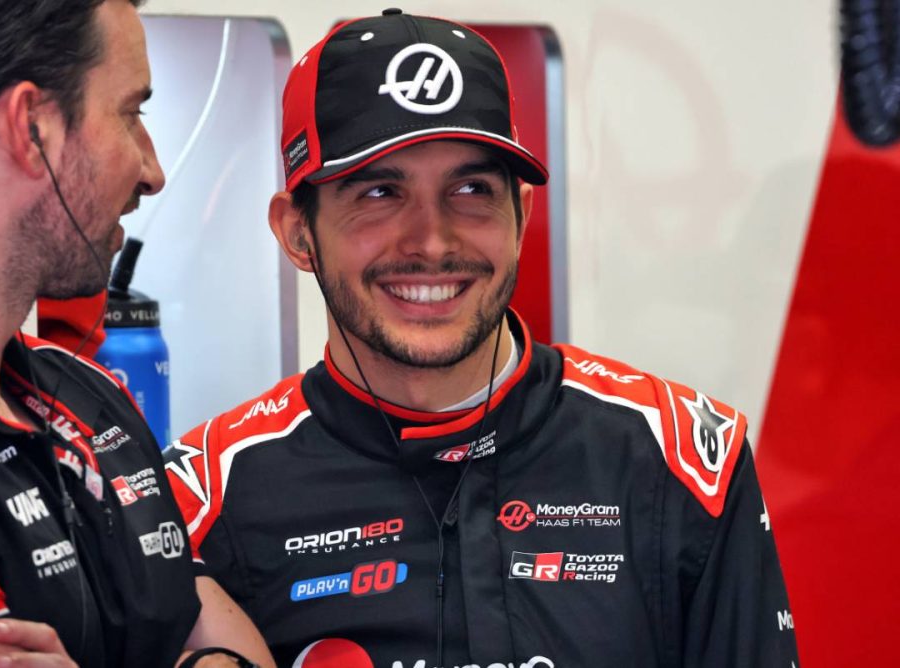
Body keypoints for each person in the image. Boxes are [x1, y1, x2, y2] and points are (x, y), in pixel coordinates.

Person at [164, 9, 800, 668]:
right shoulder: (199, 501)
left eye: (471, 189)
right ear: (298, 233)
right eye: (380, 192)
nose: (432, 242)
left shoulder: (684, 461)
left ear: (520, 216)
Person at [0, 1, 274, 666]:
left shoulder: (87, 394)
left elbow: (225, 640)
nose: (152, 170)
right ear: (31, 127)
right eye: (131, 114)